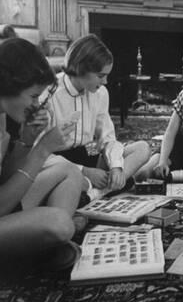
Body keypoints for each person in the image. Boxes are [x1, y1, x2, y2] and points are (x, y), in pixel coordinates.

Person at [0, 38, 88, 270]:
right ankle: (38, 247)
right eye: (33, 96)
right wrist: (42, 149)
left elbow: (6, 179)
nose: (36, 105)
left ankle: (42, 242)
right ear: (6, 86)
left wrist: (27, 139)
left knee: (69, 171)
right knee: (61, 223)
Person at [41, 34, 151, 200]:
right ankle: (98, 191)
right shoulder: (50, 93)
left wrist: (116, 168)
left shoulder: (100, 93)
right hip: (57, 164)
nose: (106, 81)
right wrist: (85, 172)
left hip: (84, 157)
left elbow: (107, 139)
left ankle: (94, 193)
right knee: (76, 183)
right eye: (101, 76)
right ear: (81, 68)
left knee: (143, 148)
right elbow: (39, 154)